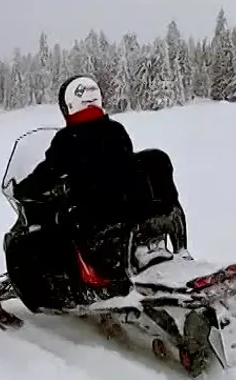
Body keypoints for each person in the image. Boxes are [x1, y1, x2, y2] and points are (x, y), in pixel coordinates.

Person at [13, 75, 172, 285]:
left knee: (55, 228)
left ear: (69, 104)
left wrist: (23, 189)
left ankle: (70, 284)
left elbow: (47, 174)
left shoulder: (68, 139)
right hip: (130, 208)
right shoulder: (115, 129)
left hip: (96, 216)